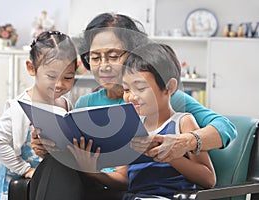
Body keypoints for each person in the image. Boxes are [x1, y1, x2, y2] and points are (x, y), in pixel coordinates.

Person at [30, 12, 236, 200]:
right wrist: (50, 147)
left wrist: (185, 142)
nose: (104, 65)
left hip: (132, 192)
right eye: (95, 57)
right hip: (100, 182)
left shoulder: (167, 99)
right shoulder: (86, 102)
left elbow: (226, 128)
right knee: (56, 163)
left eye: (113, 55)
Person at [0, 30, 77, 200]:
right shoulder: (20, 107)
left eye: (68, 77)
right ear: (32, 68)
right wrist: (25, 169)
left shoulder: (65, 104)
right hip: (17, 185)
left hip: (48, 182)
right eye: (51, 76)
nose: (59, 84)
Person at [119, 42, 216, 199]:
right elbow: (123, 179)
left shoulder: (183, 123)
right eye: (126, 89)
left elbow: (208, 179)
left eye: (141, 88)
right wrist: (90, 170)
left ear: (169, 87)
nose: (131, 97)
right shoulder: (132, 126)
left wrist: (168, 155)